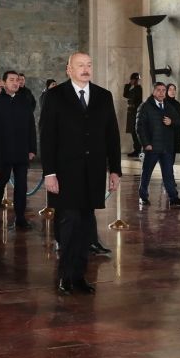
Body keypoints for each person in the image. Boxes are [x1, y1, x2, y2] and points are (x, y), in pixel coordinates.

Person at [41, 52, 122, 294]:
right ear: (69, 69)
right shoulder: (54, 96)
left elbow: (112, 135)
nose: (85, 69)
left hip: (93, 173)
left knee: (86, 226)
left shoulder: (103, 96)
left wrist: (115, 169)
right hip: (65, 174)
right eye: (80, 65)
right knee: (68, 225)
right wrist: (49, 173)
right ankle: (66, 276)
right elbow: (47, 137)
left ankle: (80, 278)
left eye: (89, 65)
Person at [0, 70, 37, 228]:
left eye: (17, 80)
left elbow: (31, 127)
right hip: (3, 153)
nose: (15, 83)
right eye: (12, 80)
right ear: (4, 83)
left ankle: (20, 218)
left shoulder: (25, 101)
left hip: (21, 152)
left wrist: (32, 149)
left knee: (21, 187)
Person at [136, 82, 180, 207]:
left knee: (168, 174)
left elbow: (179, 122)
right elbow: (139, 127)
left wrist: (172, 121)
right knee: (147, 173)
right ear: (153, 91)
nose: (161, 93)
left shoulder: (169, 106)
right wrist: (146, 144)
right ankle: (143, 197)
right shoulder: (145, 106)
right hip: (152, 147)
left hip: (166, 148)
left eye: (164, 90)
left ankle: (174, 198)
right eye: (158, 90)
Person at [123, 72, 142, 157]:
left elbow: (136, 100)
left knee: (135, 131)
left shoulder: (138, 89)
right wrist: (128, 85)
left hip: (135, 112)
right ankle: (137, 149)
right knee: (132, 131)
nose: (133, 81)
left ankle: (138, 150)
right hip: (131, 112)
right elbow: (125, 94)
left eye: (133, 80)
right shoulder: (133, 89)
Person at [166, 83, 180, 156]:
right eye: (170, 89)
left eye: (174, 89)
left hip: (175, 134)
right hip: (166, 136)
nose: (172, 91)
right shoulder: (163, 103)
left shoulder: (177, 104)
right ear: (166, 91)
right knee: (166, 161)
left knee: (172, 159)